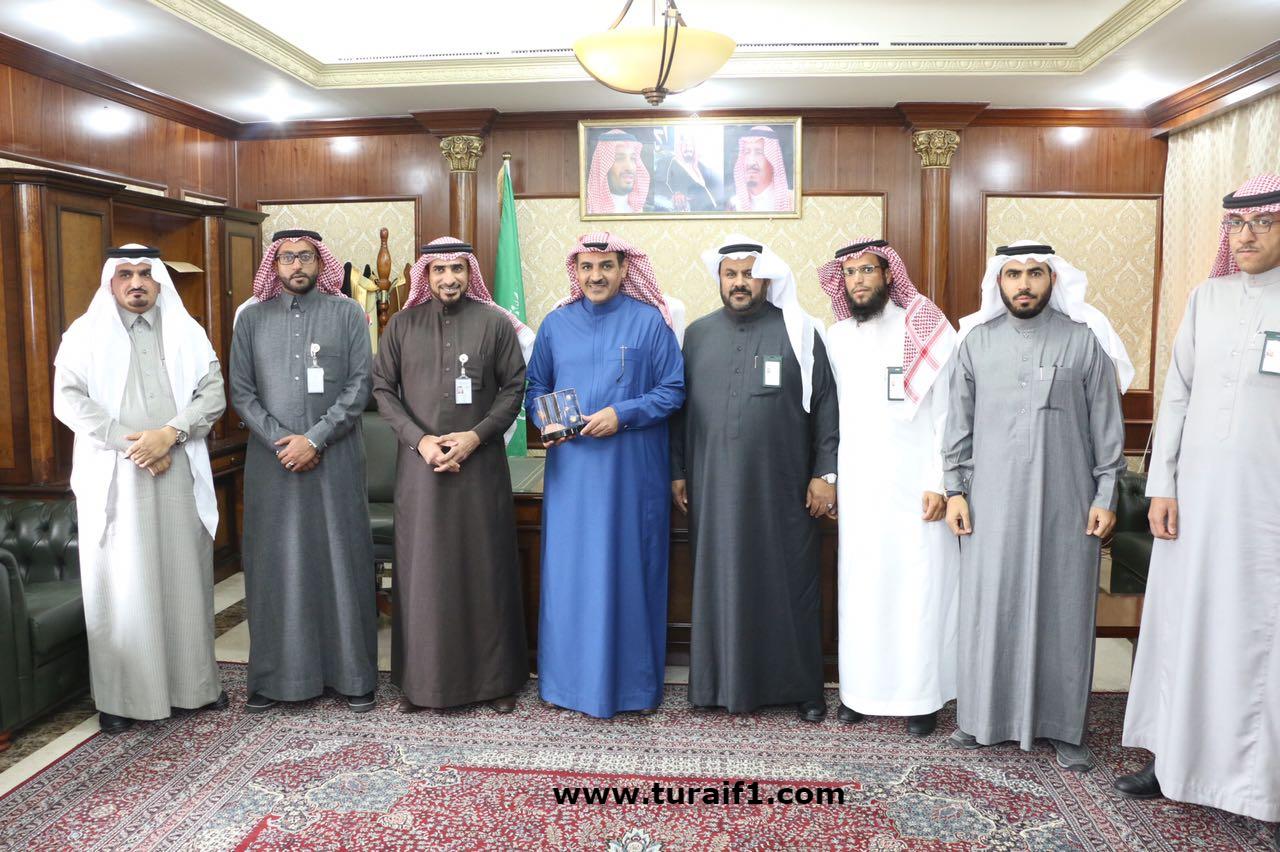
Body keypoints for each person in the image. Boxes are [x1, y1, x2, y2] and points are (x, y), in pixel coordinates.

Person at [1117, 175, 1280, 840]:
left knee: (1258, 639)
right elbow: (1178, 393)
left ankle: (1263, 785)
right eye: (1237, 224)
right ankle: (1174, 761)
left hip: (1265, 512)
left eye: (1263, 223)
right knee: (1184, 626)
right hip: (1193, 504)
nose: (1246, 236)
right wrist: (1162, 485)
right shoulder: (1206, 298)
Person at [942, 240, 1129, 771]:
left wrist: (1106, 495)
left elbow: (1107, 428)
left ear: (1053, 280)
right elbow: (957, 427)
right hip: (990, 504)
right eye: (1013, 274)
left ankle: (1065, 728)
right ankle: (980, 720)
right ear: (998, 283)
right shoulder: (976, 343)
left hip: (1067, 504)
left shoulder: (1084, 341)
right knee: (989, 608)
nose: (1023, 284)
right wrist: (954, 491)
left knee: (1064, 610)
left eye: (1035, 274)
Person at [53, 244, 227, 733]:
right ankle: (122, 699)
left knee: (184, 578)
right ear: (110, 282)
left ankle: (194, 688)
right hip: (116, 475)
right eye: (126, 274)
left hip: (178, 465)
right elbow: (69, 400)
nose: (136, 283)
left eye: (146, 274)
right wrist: (134, 445)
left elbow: (212, 394)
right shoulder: (84, 335)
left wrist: (169, 435)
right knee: (122, 585)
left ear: (159, 282)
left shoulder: (187, 331)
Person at [672, 235, 837, 720]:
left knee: (789, 583)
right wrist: (677, 471)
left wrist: (825, 473)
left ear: (767, 278)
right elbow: (679, 411)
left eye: (749, 274)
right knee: (718, 581)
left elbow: (826, 404)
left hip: (783, 487)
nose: (740, 282)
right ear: (720, 279)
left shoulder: (801, 332)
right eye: (731, 274)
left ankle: (801, 688)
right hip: (712, 485)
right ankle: (714, 686)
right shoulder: (696, 335)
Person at [525, 232, 684, 718]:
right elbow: (535, 387)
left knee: (628, 572)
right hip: (573, 475)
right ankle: (567, 684)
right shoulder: (555, 324)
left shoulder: (649, 321)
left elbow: (673, 390)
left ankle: (631, 688)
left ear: (624, 269)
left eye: (606, 266)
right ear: (576, 272)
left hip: (631, 474)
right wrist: (546, 419)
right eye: (587, 267)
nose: (596, 276)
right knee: (571, 576)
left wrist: (623, 413)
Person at [372, 238, 531, 714]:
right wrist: (420, 441)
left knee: (485, 569)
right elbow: (382, 389)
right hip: (420, 471)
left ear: (469, 272)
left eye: (457, 269)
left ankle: (495, 682)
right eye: (439, 270)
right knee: (424, 574)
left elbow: (514, 388)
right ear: (426, 274)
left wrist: (475, 437)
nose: (448, 278)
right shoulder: (402, 326)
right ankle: (422, 683)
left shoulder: (494, 324)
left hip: (479, 469)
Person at [230, 229, 377, 714]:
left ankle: (353, 677)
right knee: (276, 566)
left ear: (321, 263)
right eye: (288, 257)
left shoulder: (347, 313)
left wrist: (314, 439)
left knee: (342, 560)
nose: (297, 265)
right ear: (275, 265)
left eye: (306, 257)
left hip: (336, 458)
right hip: (271, 463)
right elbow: (242, 392)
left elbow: (360, 386)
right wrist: (283, 441)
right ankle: (276, 679)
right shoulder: (251, 319)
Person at [817, 237, 958, 736]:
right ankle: (860, 694)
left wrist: (940, 482)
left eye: (867, 270)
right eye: (849, 273)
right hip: (861, 486)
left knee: (917, 591)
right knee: (862, 591)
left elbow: (946, 412)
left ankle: (921, 699)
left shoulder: (926, 328)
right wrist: (833, 480)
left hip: (916, 487)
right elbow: (831, 416)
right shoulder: (836, 337)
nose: (857, 280)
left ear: (888, 274)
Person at [726, 126, 793, 212]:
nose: (751, 162)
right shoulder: (734, 204)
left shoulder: (791, 200)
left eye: (759, 152)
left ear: (773, 159)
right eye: (747, 152)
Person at [654, 127, 720, 212]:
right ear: (679, 147)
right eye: (684, 145)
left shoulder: (701, 167)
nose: (688, 149)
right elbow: (657, 185)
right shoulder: (667, 162)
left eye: (690, 145)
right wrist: (673, 195)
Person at [584, 130, 650, 215]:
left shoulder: (638, 208)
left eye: (633, 158)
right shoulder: (589, 210)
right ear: (604, 165)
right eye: (619, 158)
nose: (629, 167)